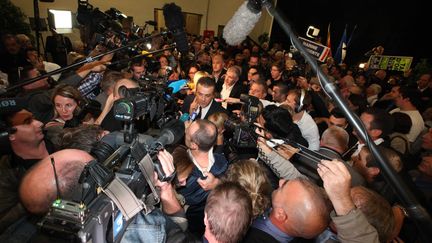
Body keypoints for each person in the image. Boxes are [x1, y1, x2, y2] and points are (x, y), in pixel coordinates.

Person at [243, 177, 331, 242]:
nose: (281, 181)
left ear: (280, 215)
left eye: (283, 186)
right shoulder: (280, 208)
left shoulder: (249, 238)